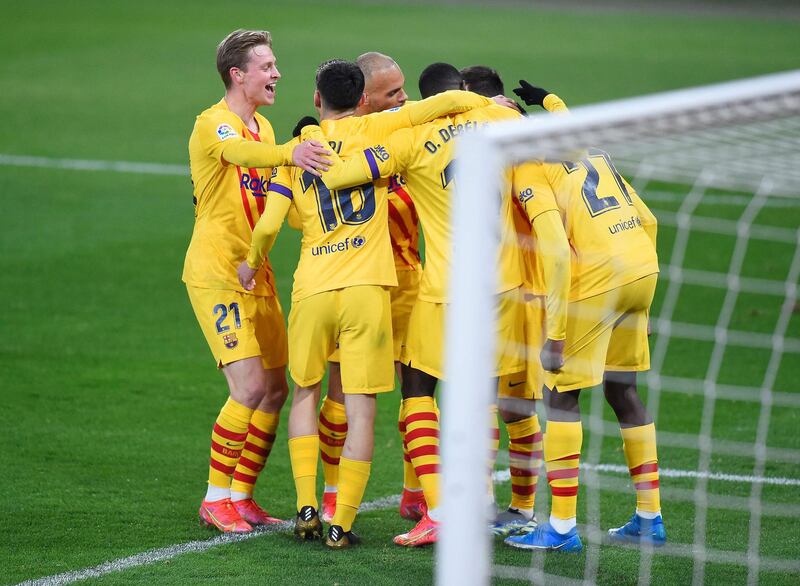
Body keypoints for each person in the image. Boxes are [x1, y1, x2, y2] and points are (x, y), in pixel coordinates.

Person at [238, 59, 502, 548]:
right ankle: (343, 521)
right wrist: (484, 101)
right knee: (365, 408)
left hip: (314, 288)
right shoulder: (380, 132)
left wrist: (252, 263)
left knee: (306, 395)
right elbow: (442, 103)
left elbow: (274, 224)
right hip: (370, 289)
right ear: (363, 97)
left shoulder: (298, 149)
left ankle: (306, 504)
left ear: (317, 100)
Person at [299, 63, 536, 547]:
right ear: (463, 92)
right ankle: (479, 503)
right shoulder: (501, 120)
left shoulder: (410, 140)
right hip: (505, 286)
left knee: (416, 391)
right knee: (483, 397)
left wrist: (306, 142)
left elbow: (343, 175)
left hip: (447, 289)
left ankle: (440, 511)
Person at [502, 93, 664, 550]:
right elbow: (647, 217)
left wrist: (554, 334)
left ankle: (560, 528)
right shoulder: (589, 148)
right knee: (623, 390)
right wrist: (550, 99)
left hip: (597, 279)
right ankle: (649, 519)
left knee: (560, 395)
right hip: (641, 267)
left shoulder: (531, 169)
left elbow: (553, 251)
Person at [184, 29, 331, 534]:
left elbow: (271, 198)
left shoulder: (265, 129)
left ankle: (242, 494)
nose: (277, 74)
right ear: (237, 75)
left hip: (255, 270)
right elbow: (242, 160)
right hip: (216, 272)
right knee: (246, 386)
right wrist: (293, 153)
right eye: (267, 66)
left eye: (275, 65)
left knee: (273, 388)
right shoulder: (214, 125)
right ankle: (215, 497)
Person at [459, 65, 571, 537]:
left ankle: (490, 507)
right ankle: (521, 509)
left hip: (521, 290)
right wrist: (551, 103)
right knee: (513, 406)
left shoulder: (502, 141)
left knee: (489, 398)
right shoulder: (523, 133)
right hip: (533, 291)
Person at [316, 51, 426, 526]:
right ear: (363, 100)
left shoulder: (405, 132)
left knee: (418, 392)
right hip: (357, 283)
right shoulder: (339, 146)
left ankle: (414, 493)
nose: (404, 98)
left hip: (408, 282)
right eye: (393, 93)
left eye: (404, 88)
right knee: (341, 392)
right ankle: (331, 492)